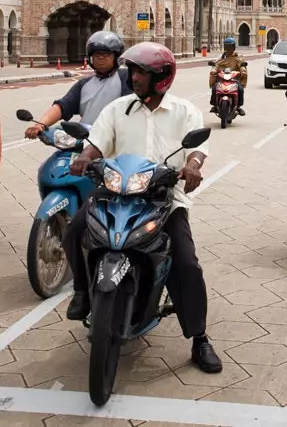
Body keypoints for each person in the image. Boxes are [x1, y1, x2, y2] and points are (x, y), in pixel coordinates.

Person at [64, 42, 222, 374]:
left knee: (186, 262)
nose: (133, 77)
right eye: (133, 71)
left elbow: (198, 149)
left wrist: (192, 166)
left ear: (161, 77)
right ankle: (81, 290)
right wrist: (84, 158)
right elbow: (96, 143)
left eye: (141, 73)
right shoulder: (117, 109)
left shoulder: (184, 111)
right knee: (76, 228)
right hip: (115, 192)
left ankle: (199, 337)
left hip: (163, 199)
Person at [24, 31, 131, 138]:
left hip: (117, 140)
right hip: (87, 139)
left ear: (116, 56)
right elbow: (63, 106)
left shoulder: (126, 78)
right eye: (97, 54)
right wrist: (40, 125)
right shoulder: (84, 84)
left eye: (106, 54)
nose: (101, 58)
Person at [209, 37, 247, 116]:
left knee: (240, 89)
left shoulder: (238, 57)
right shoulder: (221, 57)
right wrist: (213, 70)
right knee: (215, 88)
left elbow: (241, 66)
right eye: (227, 47)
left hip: (234, 79)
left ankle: (238, 107)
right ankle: (215, 105)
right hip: (222, 79)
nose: (228, 49)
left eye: (230, 47)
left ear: (233, 47)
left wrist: (242, 71)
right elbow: (216, 65)